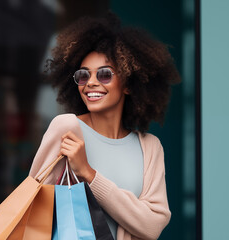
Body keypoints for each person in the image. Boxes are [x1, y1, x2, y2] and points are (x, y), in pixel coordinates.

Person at [29, 12, 180, 240]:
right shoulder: (67, 128)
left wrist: (88, 174)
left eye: (104, 74)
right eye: (83, 75)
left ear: (128, 83)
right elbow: (32, 207)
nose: (91, 82)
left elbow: (152, 227)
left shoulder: (150, 148)